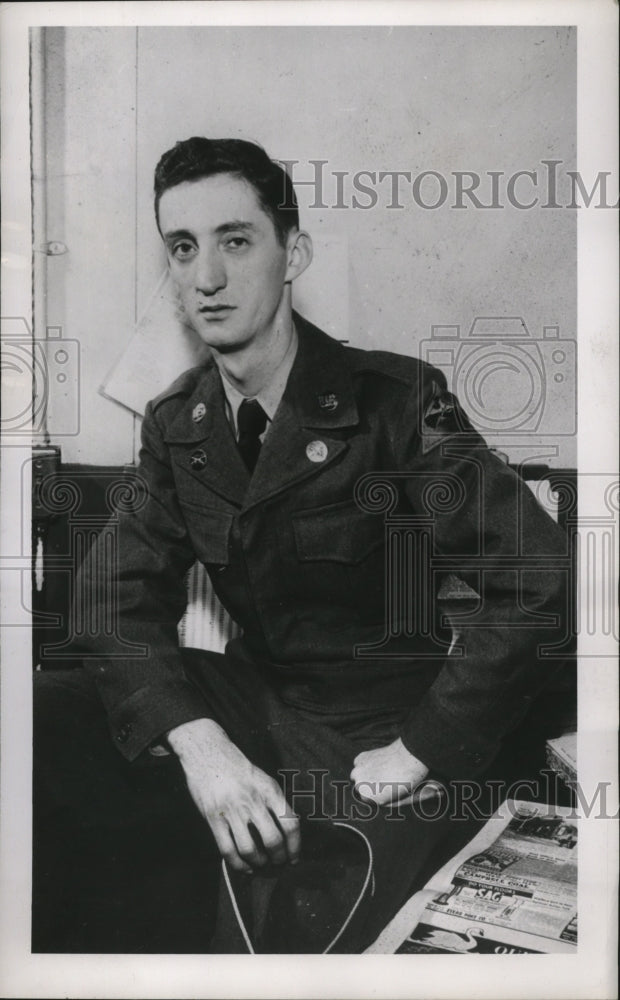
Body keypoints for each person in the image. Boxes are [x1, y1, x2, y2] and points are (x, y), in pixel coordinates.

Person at [33, 137, 570, 954]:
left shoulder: (396, 401)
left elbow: (535, 574)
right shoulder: (179, 423)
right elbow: (110, 599)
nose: (206, 276)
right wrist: (199, 739)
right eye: (184, 247)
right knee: (37, 715)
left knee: (317, 923)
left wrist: (424, 748)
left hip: (387, 721)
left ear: (294, 253)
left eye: (235, 240)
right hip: (255, 704)